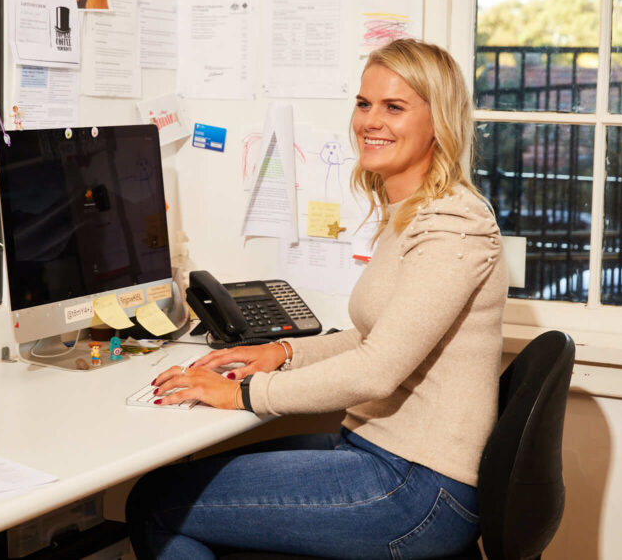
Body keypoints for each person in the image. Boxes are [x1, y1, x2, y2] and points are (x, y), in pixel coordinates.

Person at [125, 39, 508, 559]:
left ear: (439, 121)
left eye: (394, 107)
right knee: (169, 485)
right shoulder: (415, 212)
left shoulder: (451, 229)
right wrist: (283, 354)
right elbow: (376, 337)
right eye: (364, 103)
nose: (371, 121)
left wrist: (243, 393)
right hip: (381, 453)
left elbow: (376, 370)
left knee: (156, 503)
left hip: (418, 487)